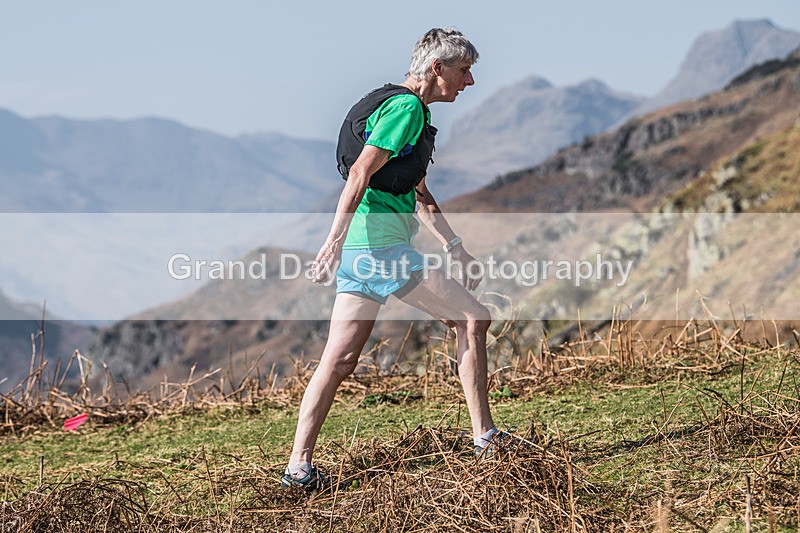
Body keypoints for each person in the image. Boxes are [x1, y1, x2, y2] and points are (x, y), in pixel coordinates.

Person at [282, 28, 501, 490]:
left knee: (338, 361)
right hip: (378, 249)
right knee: (472, 319)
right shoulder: (407, 108)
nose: (470, 82)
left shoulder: (394, 106)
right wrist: (332, 241)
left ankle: (298, 467)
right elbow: (361, 170)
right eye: (465, 71)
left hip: (366, 251)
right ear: (437, 69)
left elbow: (416, 192)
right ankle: (486, 439)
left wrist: (455, 246)